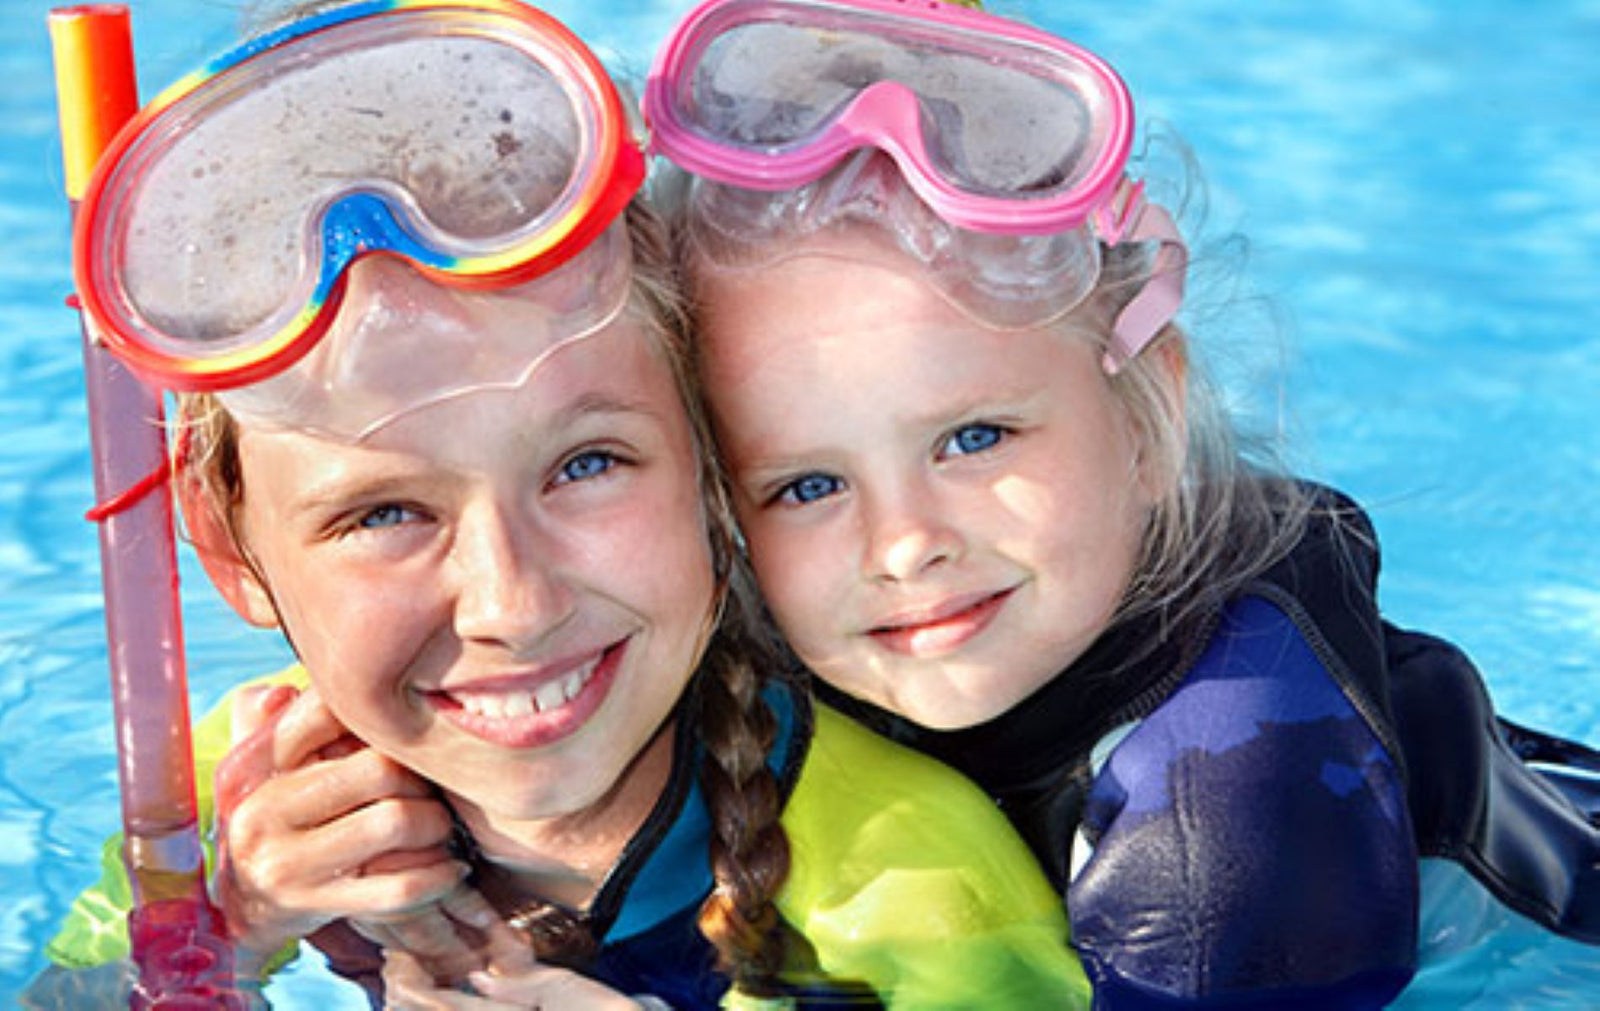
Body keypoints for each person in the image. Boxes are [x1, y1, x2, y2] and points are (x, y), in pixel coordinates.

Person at [30, 2, 1091, 1008]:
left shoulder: (909, 879)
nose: (514, 603)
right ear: (229, 552)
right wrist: (223, 934)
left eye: (586, 465)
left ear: (709, 471)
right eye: (384, 514)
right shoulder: (223, 803)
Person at [644, 0, 1600, 1006]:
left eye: (974, 438)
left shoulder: (1228, 800)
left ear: (1148, 419)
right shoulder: (782, 667)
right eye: (807, 486)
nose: (905, 543)